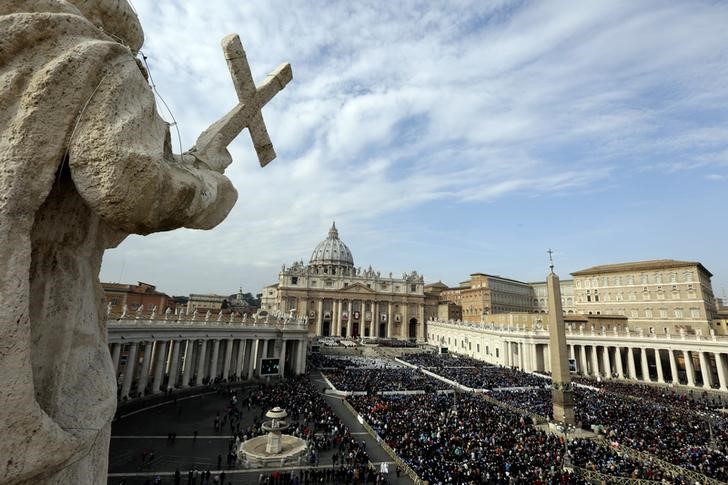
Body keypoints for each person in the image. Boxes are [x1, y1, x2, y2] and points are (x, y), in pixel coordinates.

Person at [0, 1, 242, 483]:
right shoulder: (94, 55)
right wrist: (208, 179)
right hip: (40, 300)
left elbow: (86, 208)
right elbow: (128, 189)